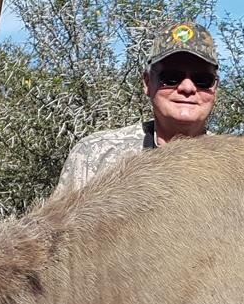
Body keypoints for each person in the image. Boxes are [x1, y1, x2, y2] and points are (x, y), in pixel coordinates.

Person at [55, 21, 219, 193]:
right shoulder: (94, 155)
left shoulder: (237, 166)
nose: (187, 87)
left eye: (202, 79)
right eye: (171, 77)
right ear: (147, 83)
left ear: (214, 89)